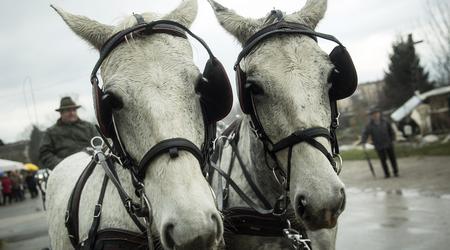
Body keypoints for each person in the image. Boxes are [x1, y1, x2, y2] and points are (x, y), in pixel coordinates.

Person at [39, 96, 98, 170]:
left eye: (74, 110)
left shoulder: (89, 127)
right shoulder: (51, 132)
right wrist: (62, 165)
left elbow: (99, 144)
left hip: (91, 165)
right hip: (65, 170)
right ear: (61, 113)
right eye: (68, 110)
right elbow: (45, 154)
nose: (72, 113)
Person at [361, 107, 399, 178]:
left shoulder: (385, 121)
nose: (375, 115)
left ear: (379, 114)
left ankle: (395, 172)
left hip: (388, 143)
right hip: (379, 145)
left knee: (392, 159)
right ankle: (387, 174)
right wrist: (363, 141)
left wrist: (393, 139)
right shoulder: (369, 125)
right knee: (383, 160)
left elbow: (391, 131)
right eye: (373, 114)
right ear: (371, 116)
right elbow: (365, 133)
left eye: (376, 113)